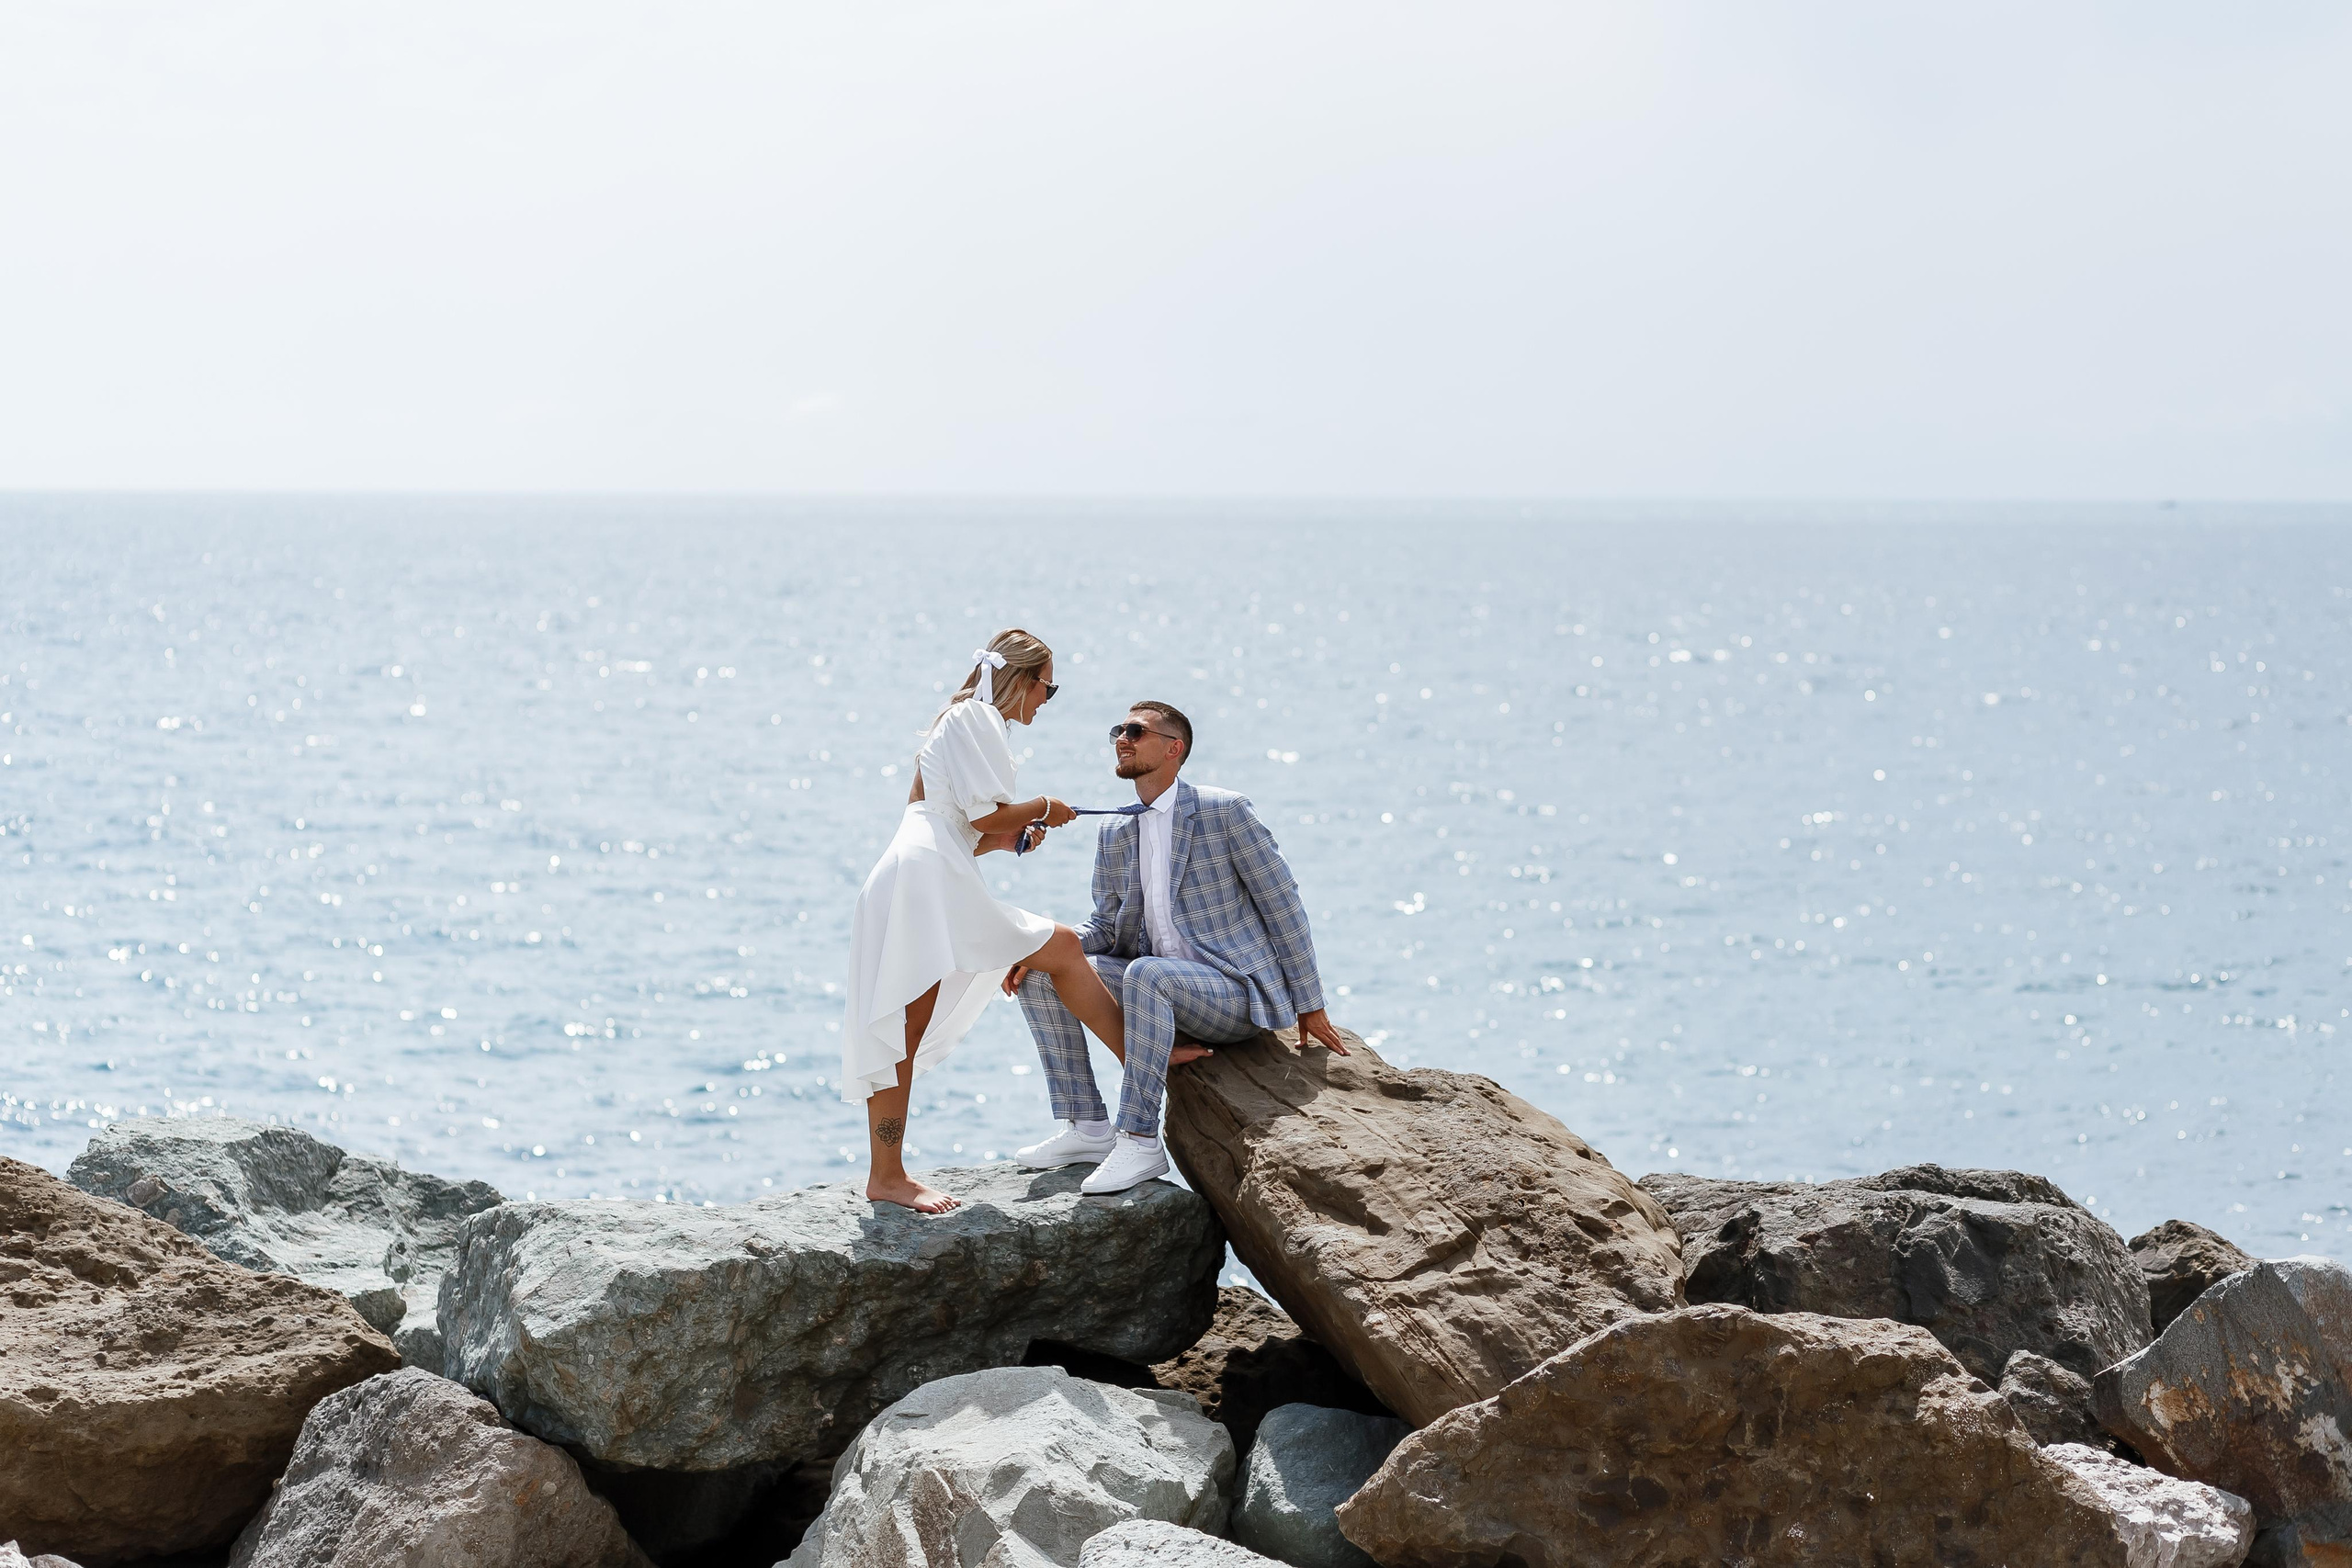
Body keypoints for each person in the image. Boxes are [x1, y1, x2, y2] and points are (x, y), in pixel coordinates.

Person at [1004, 700, 1349, 1195]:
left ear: (1174, 748)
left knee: (1149, 973)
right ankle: (1087, 1128)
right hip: (1156, 989)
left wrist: (1310, 1005)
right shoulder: (1114, 828)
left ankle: (1140, 1139)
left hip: (1232, 993)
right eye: (1118, 730)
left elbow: (1282, 905)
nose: (1121, 738)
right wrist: (1041, 947)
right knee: (1042, 972)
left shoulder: (1223, 811)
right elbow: (1105, 925)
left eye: (1135, 731)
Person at [840, 630, 1129, 1213]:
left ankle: (886, 1175)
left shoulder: (958, 722)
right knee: (1064, 948)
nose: (1047, 701)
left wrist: (1013, 840)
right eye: (1050, 688)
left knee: (904, 1030)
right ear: (1023, 682)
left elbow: (966, 830)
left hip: (921, 870)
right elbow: (985, 814)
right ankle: (1150, 1063)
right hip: (926, 878)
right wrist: (1045, 808)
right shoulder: (977, 720)